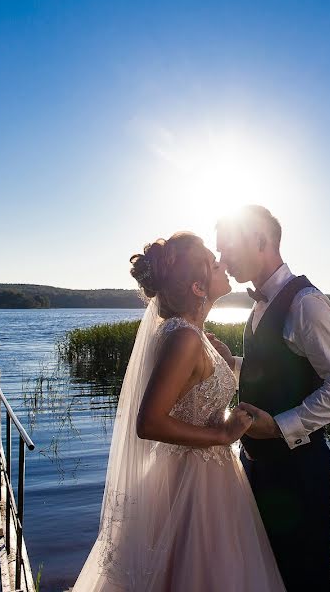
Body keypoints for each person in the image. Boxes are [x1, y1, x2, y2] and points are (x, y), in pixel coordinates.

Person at [73, 232, 285, 591]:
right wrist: (220, 434)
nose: (221, 262)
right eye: (212, 262)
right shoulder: (184, 338)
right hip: (193, 484)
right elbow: (150, 421)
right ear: (199, 287)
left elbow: (193, 390)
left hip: (202, 475)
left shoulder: (189, 334)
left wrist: (225, 361)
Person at [211, 205, 330, 592]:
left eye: (227, 249)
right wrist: (236, 365)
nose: (222, 260)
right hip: (261, 466)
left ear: (260, 240)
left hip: (299, 472)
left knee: (306, 577)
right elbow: (281, 370)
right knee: (274, 574)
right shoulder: (262, 303)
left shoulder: (305, 303)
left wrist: (279, 427)